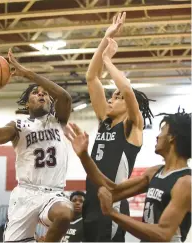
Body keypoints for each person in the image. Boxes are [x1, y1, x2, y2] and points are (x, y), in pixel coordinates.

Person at [0, 48, 73, 242]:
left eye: (45, 94)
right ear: (27, 103)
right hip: (25, 194)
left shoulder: (58, 120)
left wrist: (27, 73)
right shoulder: (18, 125)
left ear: (51, 102)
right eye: (35, 93)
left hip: (53, 193)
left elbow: (65, 98)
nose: (41, 95)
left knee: (65, 213)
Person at [65, 108, 191, 242]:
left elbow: (162, 234)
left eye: (161, 131)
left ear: (172, 137)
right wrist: (84, 156)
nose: (157, 136)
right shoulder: (155, 172)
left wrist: (113, 214)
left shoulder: (185, 183)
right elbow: (112, 190)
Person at [84, 12, 154, 242]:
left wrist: (108, 61)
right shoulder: (105, 120)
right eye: (111, 96)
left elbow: (126, 89)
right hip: (90, 201)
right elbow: (91, 78)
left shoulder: (133, 127)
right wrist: (105, 39)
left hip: (112, 203)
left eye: (116, 97)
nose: (112, 98)